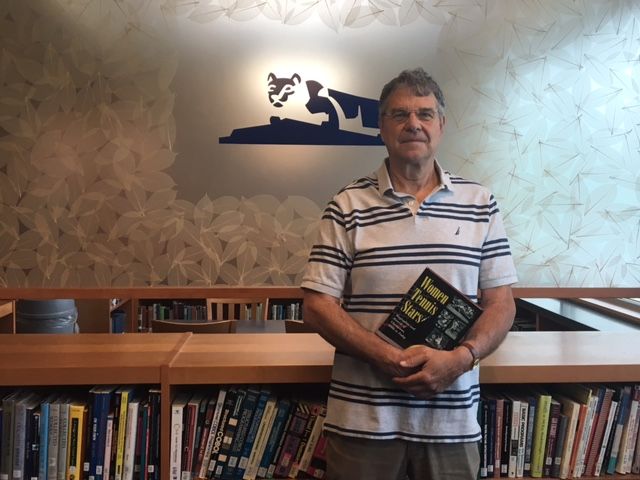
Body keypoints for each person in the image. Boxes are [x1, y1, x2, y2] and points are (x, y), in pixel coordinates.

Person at [301, 68, 518, 480]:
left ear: (441, 125)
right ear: (382, 127)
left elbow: (501, 302)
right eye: (399, 115)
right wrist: (388, 357)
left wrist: (461, 358)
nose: (413, 124)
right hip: (363, 423)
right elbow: (317, 306)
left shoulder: (480, 202)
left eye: (424, 113)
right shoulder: (346, 205)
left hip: (452, 425)